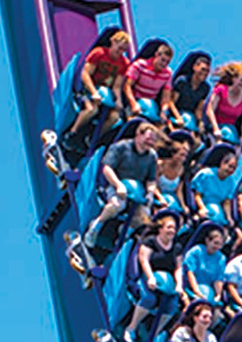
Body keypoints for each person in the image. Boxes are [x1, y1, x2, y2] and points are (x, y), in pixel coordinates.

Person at [80, 119, 158, 258]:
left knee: (144, 216)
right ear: (138, 135)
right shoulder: (121, 147)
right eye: (148, 138)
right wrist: (118, 185)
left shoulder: (152, 156)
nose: (150, 142)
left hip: (137, 192)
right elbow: (107, 168)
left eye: (152, 140)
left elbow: (151, 180)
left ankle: (124, 232)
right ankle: (96, 226)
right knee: (116, 205)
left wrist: (150, 192)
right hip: (115, 185)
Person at [58, 27, 130, 160]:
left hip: (105, 94)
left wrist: (118, 102)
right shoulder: (99, 53)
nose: (120, 52)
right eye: (119, 48)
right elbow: (85, 74)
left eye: (123, 51)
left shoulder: (124, 63)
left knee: (115, 118)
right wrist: (93, 92)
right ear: (112, 42)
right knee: (91, 109)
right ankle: (72, 134)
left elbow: (117, 85)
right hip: (89, 89)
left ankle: (93, 138)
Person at [123, 212, 184, 342]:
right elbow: (144, 260)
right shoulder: (150, 241)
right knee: (149, 299)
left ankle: (154, 335)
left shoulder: (177, 247)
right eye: (169, 227)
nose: (172, 231)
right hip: (149, 276)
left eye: (174, 228)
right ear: (160, 228)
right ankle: (131, 328)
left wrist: (179, 285)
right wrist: (150, 277)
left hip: (167, 283)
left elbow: (178, 267)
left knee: (172, 305)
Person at [120, 38, 174, 123]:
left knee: (161, 126)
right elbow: (127, 86)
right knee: (133, 121)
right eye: (162, 60)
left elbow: (166, 97)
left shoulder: (167, 73)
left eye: (167, 62)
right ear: (156, 55)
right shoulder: (140, 65)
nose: (163, 64)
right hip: (135, 101)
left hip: (151, 106)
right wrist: (133, 103)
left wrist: (163, 111)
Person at [203, 61, 242, 147]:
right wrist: (216, 129)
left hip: (230, 129)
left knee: (236, 149)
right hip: (215, 125)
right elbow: (210, 110)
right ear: (234, 79)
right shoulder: (221, 90)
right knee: (216, 143)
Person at [189, 145, 239, 226]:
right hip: (203, 208)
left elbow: (227, 202)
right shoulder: (206, 174)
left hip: (218, 212)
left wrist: (229, 218)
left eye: (233, 168)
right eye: (230, 166)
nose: (231, 170)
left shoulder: (231, 183)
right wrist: (202, 208)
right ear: (222, 163)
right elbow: (197, 194)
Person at [151, 130, 192, 217]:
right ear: (173, 154)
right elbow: (153, 184)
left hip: (172, 199)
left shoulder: (182, 169)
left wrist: (183, 205)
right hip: (157, 197)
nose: (183, 159)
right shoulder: (160, 165)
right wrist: (160, 198)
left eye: (185, 156)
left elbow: (178, 190)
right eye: (181, 155)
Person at [182, 224, 227, 302]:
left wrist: (218, 295)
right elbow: (190, 273)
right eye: (215, 243)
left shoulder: (221, 258)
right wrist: (197, 291)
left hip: (208, 292)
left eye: (220, 244)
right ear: (207, 241)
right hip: (191, 289)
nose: (217, 247)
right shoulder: (196, 251)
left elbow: (218, 279)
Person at [171, 50, 212, 134]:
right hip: (175, 114)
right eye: (203, 69)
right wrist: (178, 117)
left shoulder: (205, 88)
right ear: (195, 67)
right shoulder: (182, 81)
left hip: (189, 117)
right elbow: (171, 102)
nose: (204, 73)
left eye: (207, 71)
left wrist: (200, 123)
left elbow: (198, 109)